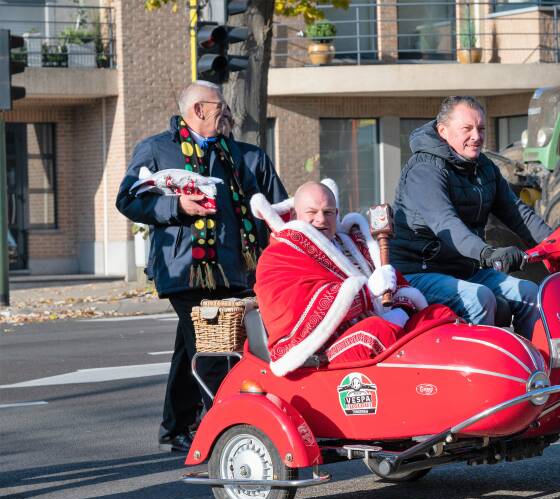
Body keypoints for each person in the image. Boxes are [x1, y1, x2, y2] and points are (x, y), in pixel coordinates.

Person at [116, 81, 262, 453]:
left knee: (193, 347)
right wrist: (176, 208)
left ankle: (176, 427)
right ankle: (227, 428)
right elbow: (128, 200)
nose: (227, 112)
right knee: (212, 349)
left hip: (232, 268)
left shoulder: (238, 153)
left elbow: (264, 208)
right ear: (198, 110)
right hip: (182, 270)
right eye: (220, 107)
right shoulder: (156, 149)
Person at [250, 181, 457, 377]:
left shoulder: (350, 242)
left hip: (378, 323)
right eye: (312, 212)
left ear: (337, 214)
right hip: (324, 353)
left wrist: (399, 308)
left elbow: (396, 287)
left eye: (328, 212)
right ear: (295, 215)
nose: (321, 219)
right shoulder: (279, 256)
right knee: (377, 332)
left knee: (438, 316)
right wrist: (367, 294)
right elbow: (296, 310)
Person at [389, 96, 552, 339]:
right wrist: (487, 254)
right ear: (443, 131)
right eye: (467, 128)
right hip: (416, 273)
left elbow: (518, 213)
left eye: (481, 128)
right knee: (479, 298)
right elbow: (446, 223)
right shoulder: (424, 170)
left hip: (464, 269)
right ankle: (485, 373)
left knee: (531, 294)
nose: (476, 136)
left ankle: (535, 368)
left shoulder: (483, 167)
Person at [218, 106, 288, 248]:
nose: (220, 121)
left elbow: (279, 204)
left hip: (252, 246)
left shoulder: (254, 157)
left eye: (225, 117)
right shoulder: (195, 158)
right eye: (217, 116)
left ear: (232, 124)